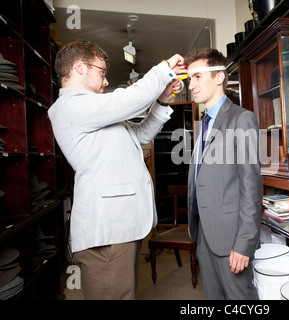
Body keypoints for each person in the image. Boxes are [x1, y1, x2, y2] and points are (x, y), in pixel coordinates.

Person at [48, 39, 186, 300]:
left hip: (120, 227)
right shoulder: (71, 106)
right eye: (101, 71)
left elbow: (142, 133)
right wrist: (163, 69)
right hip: (107, 231)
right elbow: (127, 100)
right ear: (79, 67)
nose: (106, 80)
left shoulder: (94, 110)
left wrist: (163, 100)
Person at [185, 48, 262, 300]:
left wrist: (244, 244)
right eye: (189, 79)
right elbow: (202, 177)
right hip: (204, 233)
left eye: (197, 77)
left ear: (219, 77)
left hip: (231, 239)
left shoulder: (242, 119)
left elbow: (251, 187)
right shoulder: (205, 122)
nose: (191, 85)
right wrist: (193, 219)